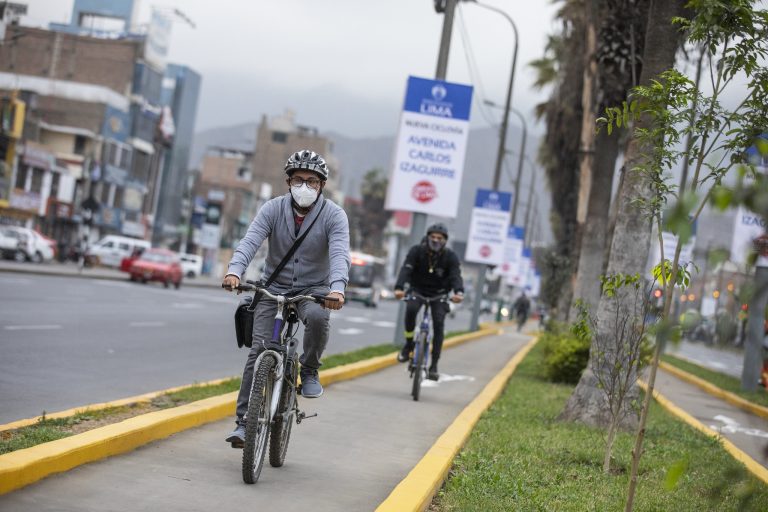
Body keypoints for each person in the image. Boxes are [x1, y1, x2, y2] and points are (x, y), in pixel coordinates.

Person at [222, 149, 350, 447]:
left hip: (314, 290)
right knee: (258, 353)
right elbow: (250, 241)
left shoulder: (334, 215)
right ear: (288, 182)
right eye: (298, 180)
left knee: (319, 318)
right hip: (273, 287)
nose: (304, 186)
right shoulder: (272, 209)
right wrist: (234, 271)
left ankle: (309, 368)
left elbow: (340, 254)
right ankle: (244, 423)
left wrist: (337, 288)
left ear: (322, 185)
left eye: (312, 181)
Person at [394, 223, 464, 381]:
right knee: (411, 309)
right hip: (417, 291)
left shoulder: (450, 257)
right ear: (427, 237)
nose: (436, 240)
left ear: (445, 240)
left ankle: (434, 365)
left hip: (439, 294)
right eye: (432, 237)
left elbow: (455, 276)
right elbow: (406, 269)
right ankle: (409, 344)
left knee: (439, 323)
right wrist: (399, 288)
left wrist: (459, 292)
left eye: (439, 238)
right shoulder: (416, 251)